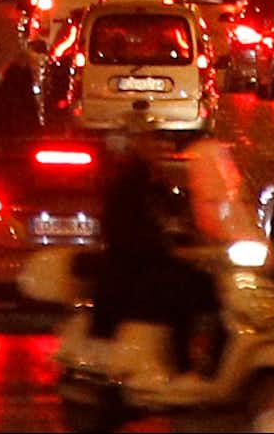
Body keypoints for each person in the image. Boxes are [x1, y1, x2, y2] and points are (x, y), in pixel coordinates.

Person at [88, 153, 223, 377]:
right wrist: (169, 248)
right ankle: (186, 367)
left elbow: (172, 218)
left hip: (138, 274)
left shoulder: (143, 192)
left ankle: (191, 365)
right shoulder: (129, 196)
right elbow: (138, 242)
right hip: (133, 281)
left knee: (201, 288)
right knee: (195, 294)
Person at [0, 54, 44, 144]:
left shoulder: (6, 84)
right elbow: (29, 107)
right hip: (19, 133)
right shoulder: (24, 83)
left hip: (5, 135)